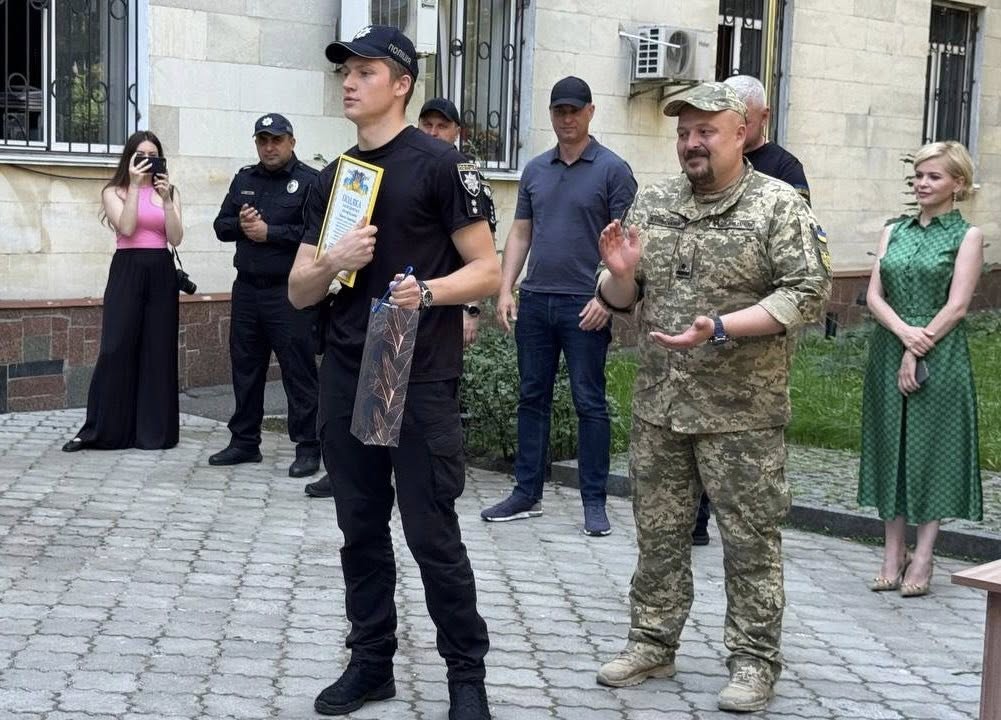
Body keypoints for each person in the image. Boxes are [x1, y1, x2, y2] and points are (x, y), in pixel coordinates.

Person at [593, 82, 831, 713]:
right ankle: (651, 642)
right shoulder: (654, 201)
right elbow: (620, 298)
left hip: (742, 415)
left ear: (740, 133)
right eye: (683, 133)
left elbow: (807, 293)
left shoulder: (778, 204)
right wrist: (620, 273)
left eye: (705, 132)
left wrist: (722, 327)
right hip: (661, 407)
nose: (691, 144)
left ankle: (754, 661)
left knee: (750, 542)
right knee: (658, 535)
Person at [287, 25, 499, 720]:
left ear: (402, 84)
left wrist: (429, 292)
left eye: (366, 71)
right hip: (351, 366)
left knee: (430, 534)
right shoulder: (334, 179)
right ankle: (371, 663)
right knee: (361, 528)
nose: (349, 82)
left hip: (417, 369)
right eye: (345, 72)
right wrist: (332, 257)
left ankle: (465, 676)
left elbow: (488, 270)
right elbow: (300, 291)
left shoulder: (440, 165)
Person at [479, 76, 637, 536]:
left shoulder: (613, 170)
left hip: (585, 304)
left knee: (589, 402)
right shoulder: (535, 170)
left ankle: (594, 502)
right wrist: (506, 289)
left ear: (590, 112)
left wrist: (607, 299)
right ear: (551, 115)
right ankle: (526, 494)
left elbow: (630, 243)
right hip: (536, 301)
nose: (566, 119)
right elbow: (521, 232)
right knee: (532, 398)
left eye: (574, 110)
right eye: (559, 111)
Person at [689, 74, 814, 546]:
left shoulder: (784, 172)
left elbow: (800, 272)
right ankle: (696, 519)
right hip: (695, 338)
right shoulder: (697, 173)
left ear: (758, 120)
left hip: (752, 345)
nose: (696, 142)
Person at [858, 140, 983, 598]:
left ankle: (925, 554)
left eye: (934, 176)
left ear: (958, 183)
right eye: (918, 175)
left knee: (933, 449)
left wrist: (917, 346)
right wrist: (903, 336)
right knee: (889, 445)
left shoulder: (967, 236)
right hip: (889, 348)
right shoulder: (893, 230)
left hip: (941, 353)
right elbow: (874, 297)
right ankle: (892, 553)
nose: (922, 183)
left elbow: (958, 305)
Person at [209, 113, 322, 478]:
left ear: (292, 142)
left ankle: (308, 447)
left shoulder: (310, 182)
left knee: (298, 371)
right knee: (245, 367)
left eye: (276, 140)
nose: (269, 147)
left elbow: (315, 234)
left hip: (288, 293)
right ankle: (244, 442)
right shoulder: (244, 179)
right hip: (247, 290)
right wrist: (242, 226)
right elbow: (220, 226)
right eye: (263, 140)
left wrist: (269, 232)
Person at [63, 131, 183, 453]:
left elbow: (176, 238)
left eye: (153, 155)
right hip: (127, 269)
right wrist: (134, 186)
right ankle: (103, 430)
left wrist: (166, 201)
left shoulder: (169, 192)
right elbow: (127, 228)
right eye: (140, 155)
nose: (147, 161)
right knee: (115, 346)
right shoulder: (113, 191)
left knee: (158, 348)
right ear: (130, 158)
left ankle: (153, 433)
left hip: (161, 270)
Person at [418, 96, 497, 347]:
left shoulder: (468, 179)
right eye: (427, 125)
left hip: (446, 303)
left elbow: (484, 254)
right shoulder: (408, 171)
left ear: (457, 132)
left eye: (442, 126)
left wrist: (470, 309)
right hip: (404, 298)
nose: (433, 133)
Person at [724, 74, 810, 204]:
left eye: (744, 123)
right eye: (727, 123)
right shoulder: (711, 156)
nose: (735, 132)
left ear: (764, 117)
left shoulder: (786, 168)